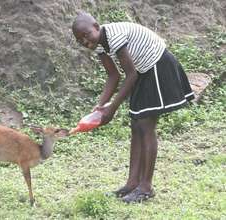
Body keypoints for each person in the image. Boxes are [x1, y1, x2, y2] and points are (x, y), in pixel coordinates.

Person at [72, 12, 194, 203]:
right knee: (136, 126)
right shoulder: (100, 46)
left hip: (157, 65)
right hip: (142, 71)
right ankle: (132, 184)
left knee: (146, 127)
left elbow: (130, 75)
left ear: (96, 26)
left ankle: (145, 188)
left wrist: (111, 109)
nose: (86, 42)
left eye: (87, 35)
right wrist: (100, 106)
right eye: (81, 41)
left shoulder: (114, 36)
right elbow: (113, 76)